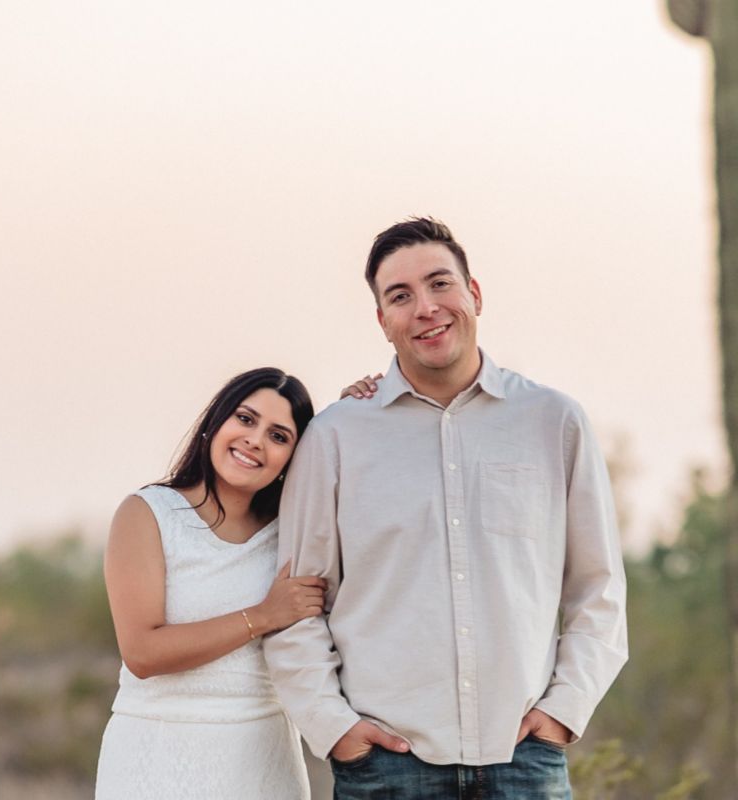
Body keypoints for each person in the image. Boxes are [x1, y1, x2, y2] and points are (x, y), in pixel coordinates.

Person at [264, 218, 629, 799]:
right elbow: (297, 602)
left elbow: (598, 589)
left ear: (474, 293)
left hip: (524, 762)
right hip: (385, 770)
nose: (426, 308)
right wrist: (335, 729)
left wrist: (564, 711)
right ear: (382, 321)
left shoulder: (554, 422)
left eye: (440, 284)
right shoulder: (336, 437)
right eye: (400, 296)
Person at [95, 367, 325, 799]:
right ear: (216, 421)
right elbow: (142, 653)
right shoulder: (148, 513)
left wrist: (358, 407)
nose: (255, 440)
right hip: (155, 758)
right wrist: (263, 616)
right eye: (245, 419)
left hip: (263, 760)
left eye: (278, 436)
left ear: (293, 457)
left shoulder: (293, 534)